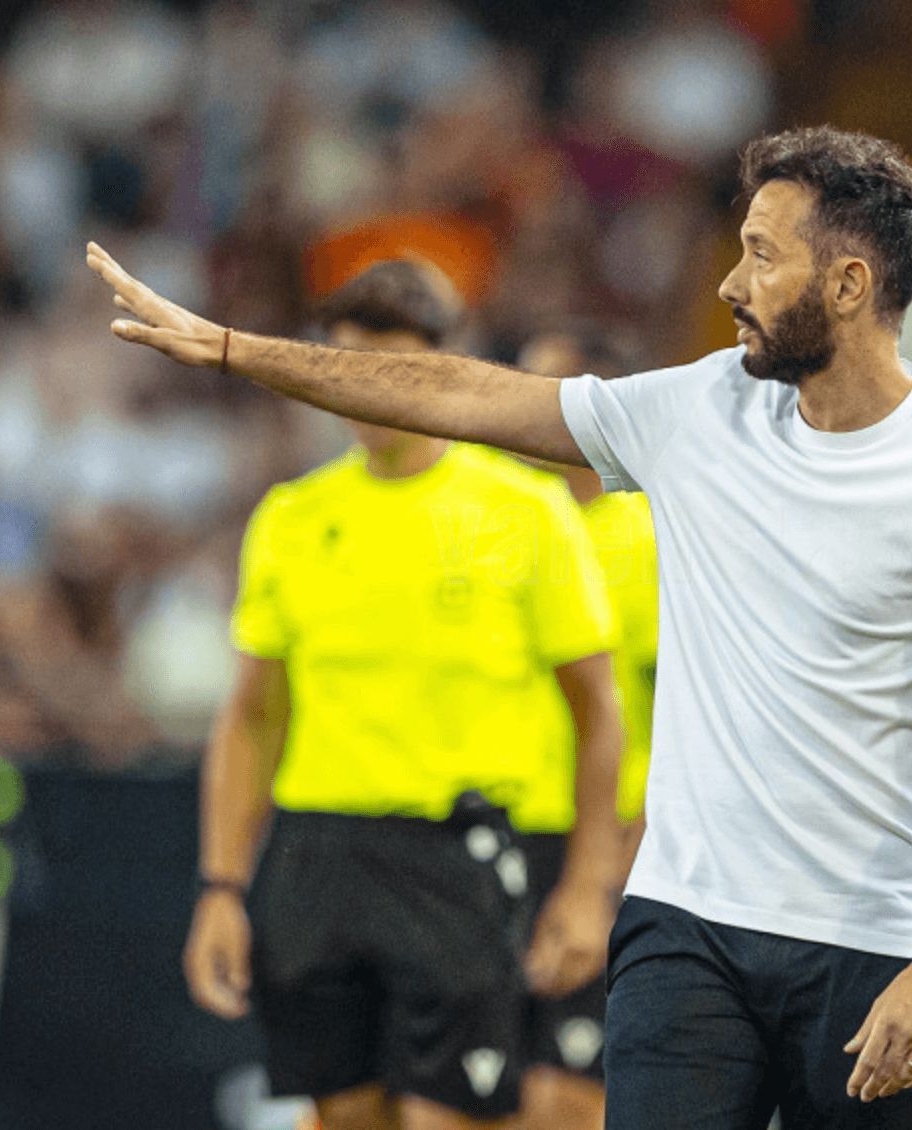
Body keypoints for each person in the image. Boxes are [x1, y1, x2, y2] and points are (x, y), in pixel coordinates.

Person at [92, 124, 912, 1129]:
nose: (731, 282)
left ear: (849, 284)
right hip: (687, 924)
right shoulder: (702, 409)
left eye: (762, 255)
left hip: (872, 941)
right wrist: (235, 350)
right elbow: (465, 392)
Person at [179, 260, 626, 1130]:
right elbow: (252, 717)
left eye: (390, 366)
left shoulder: (525, 511)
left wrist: (585, 887)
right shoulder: (293, 517)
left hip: (455, 856)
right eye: (348, 364)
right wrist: (221, 885)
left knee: (455, 1118)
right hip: (319, 853)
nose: (367, 389)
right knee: (342, 1117)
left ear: (441, 368)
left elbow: (597, 713)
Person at [512, 327, 661, 1130]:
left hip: (611, 847)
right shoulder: (501, 526)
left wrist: (612, 873)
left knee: (568, 1100)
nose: (515, 410)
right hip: (499, 836)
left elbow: (689, 715)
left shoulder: (651, 537)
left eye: (543, 395)